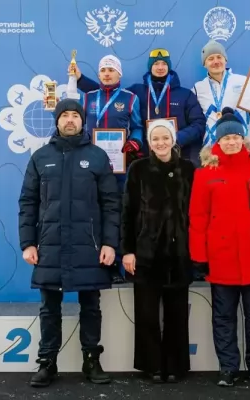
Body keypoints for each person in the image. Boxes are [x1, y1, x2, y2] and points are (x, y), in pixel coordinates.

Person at [18, 99, 120, 387]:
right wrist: (28, 243)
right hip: (50, 246)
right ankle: (47, 363)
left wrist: (110, 243)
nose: (70, 120)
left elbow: (111, 204)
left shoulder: (97, 156)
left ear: (82, 121)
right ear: (57, 121)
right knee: (49, 309)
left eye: (76, 115)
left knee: (91, 307)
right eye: (65, 115)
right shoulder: (40, 157)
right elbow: (28, 203)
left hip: (89, 247)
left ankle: (92, 361)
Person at [188, 107, 250, 387]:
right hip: (221, 259)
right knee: (223, 318)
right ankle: (228, 368)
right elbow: (197, 218)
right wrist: (199, 256)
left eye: (235, 137)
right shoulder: (205, 173)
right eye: (226, 138)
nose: (231, 142)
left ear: (243, 139)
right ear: (218, 141)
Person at [121, 119, 195, 383]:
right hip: (146, 255)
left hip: (179, 255)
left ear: (173, 140)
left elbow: (197, 213)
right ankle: (151, 365)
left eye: (165, 138)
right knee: (147, 315)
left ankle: (175, 366)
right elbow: (127, 212)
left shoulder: (189, 169)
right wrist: (128, 251)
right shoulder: (138, 169)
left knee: (177, 315)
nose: (161, 143)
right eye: (155, 139)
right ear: (149, 143)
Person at [83, 54, 145, 284]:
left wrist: (135, 142)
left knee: (118, 211)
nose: (107, 74)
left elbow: (137, 126)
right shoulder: (88, 97)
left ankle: (118, 263)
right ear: (99, 74)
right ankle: (97, 263)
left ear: (119, 74)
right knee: (94, 211)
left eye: (111, 70)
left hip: (120, 166)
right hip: (92, 166)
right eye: (103, 70)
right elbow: (80, 128)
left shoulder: (130, 98)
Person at [127, 48, 206, 166]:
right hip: (146, 159)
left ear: (169, 66)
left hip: (178, 158)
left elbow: (199, 124)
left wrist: (176, 138)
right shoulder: (136, 91)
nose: (160, 67)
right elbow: (113, 97)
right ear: (150, 67)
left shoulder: (185, 95)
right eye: (156, 64)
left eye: (164, 63)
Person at [192, 40, 250, 148]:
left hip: (239, 145)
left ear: (225, 60)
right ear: (204, 64)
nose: (216, 61)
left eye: (219, 57)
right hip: (211, 149)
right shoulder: (198, 88)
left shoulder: (243, 81)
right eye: (210, 58)